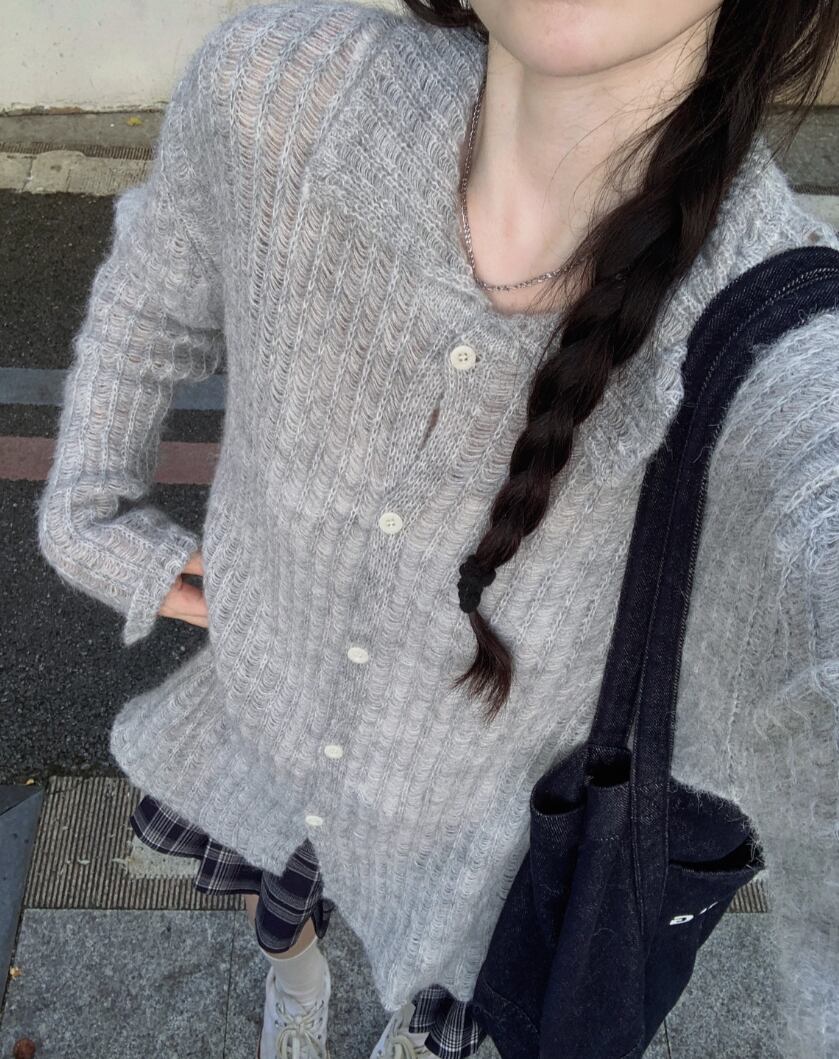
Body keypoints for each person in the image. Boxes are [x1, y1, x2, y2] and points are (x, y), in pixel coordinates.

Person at [36, 0, 839, 1057]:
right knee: (276, 918)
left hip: (477, 853)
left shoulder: (775, 336)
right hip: (267, 724)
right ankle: (297, 985)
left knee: (434, 1005)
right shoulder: (278, 89)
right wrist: (89, 514)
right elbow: (152, 294)